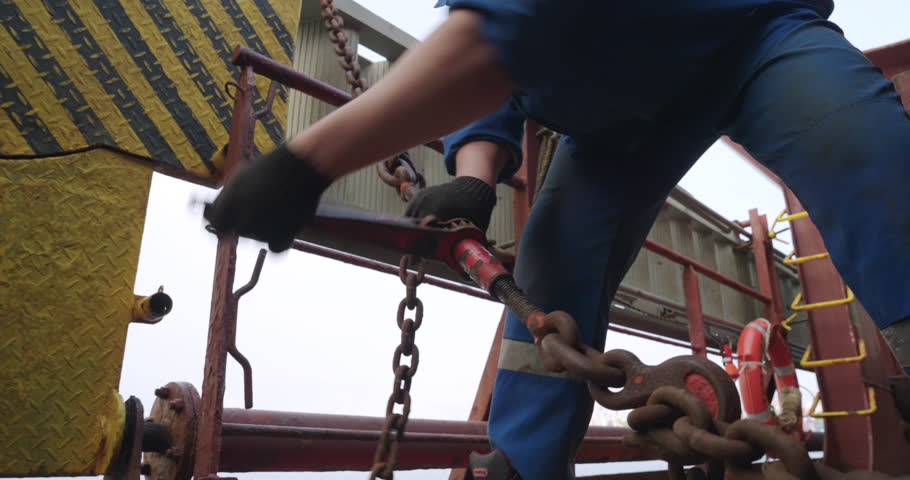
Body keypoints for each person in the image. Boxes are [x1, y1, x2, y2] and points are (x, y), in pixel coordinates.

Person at [205, 1, 910, 478]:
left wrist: (307, 165)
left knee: (872, 161)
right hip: (623, 107)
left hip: (755, 26)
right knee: (550, 269)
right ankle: (524, 462)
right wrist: (475, 177)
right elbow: (497, 61)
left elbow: (499, 42)